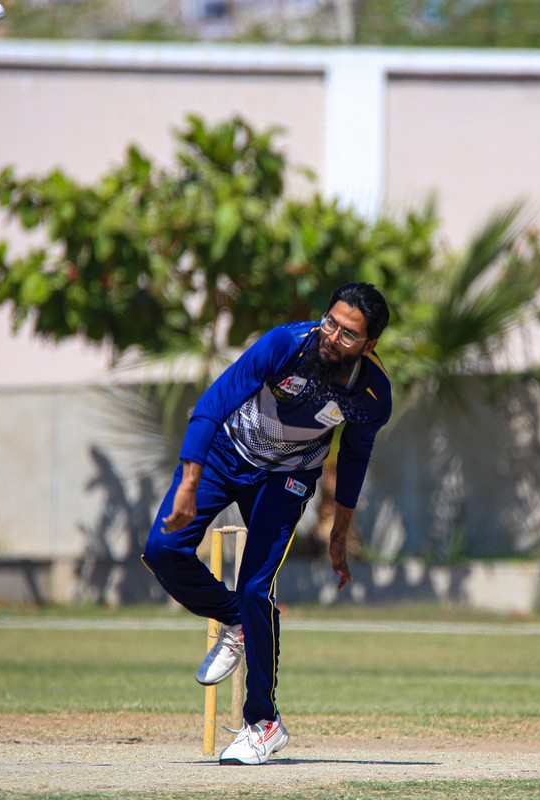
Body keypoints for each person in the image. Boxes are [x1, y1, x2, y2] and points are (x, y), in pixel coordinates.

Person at [141, 282, 393, 765]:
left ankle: (263, 723)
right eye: (331, 322)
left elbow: (355, 457)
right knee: (162, 551)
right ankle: (233, 617)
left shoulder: (372, 394)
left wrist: (339, 535)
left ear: (369, 345)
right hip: (226, 453)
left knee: (257, 587)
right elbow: (213, 403)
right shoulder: (285, 344)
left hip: (287, 476)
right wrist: (190, 482)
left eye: (348, 334)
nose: (332, 336)